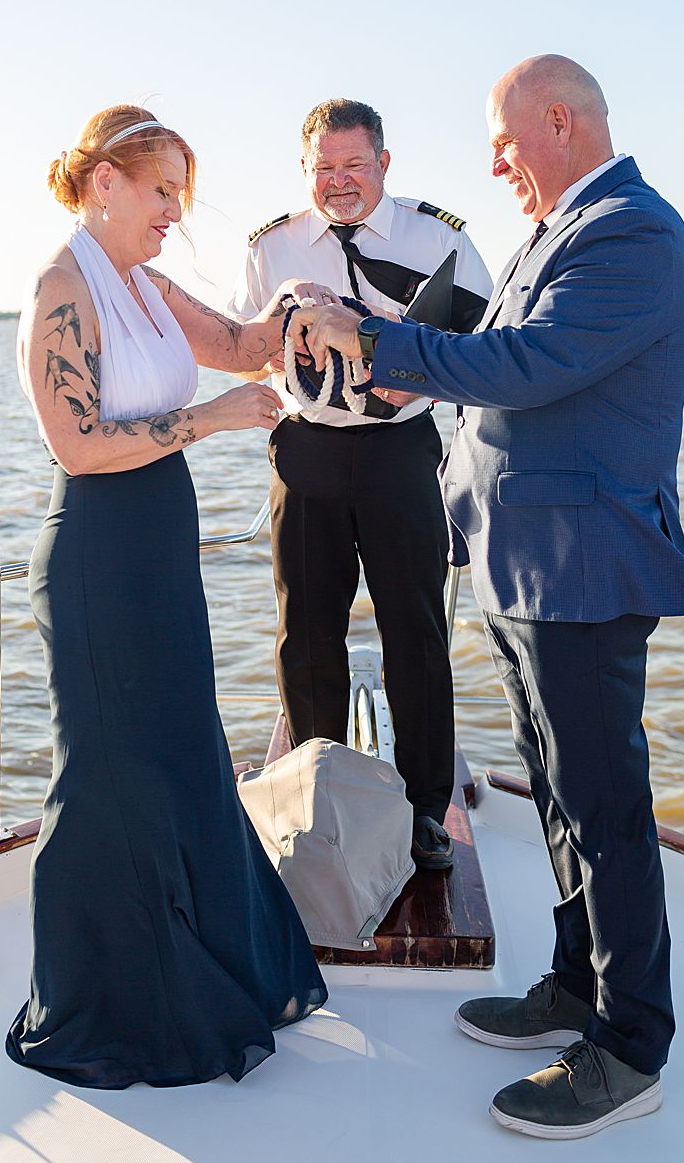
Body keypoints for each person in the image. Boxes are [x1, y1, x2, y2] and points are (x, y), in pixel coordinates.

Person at [290, 56, 684, 1138]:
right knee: (564, 801)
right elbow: (491, 359)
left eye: (503, 140)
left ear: (557, 121)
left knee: (605, 809)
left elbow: (528, 362)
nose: (493, 162)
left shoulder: (630, 232)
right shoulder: (563, 226)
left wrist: (374, 336)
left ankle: (628, 1043)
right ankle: (574, 984)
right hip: (521, 560)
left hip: (579, 568)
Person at [11, 105, 326, 1087]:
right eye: (161, 191)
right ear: (104, 181)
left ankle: (199, 975)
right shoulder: (63, 287)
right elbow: (78, 443)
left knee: (186, 758)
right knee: (107, 774)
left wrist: (299, 308)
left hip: (160, 551)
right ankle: (100, 1001)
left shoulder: (145, 282)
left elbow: (239, 342)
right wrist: (216, 419)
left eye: (179, 196)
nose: (173, 213)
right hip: (101, 559)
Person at [230, 99, 494, 870]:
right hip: (305, 451)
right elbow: (244, 347)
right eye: (324, 168)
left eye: (354, 165)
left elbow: (475, 340)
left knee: (415, 630)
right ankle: (318, 798)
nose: (338, 182)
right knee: (307, 632)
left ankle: (423, 810)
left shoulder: (437, 238)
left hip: (398, 453)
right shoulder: (272, 246)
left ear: (384, 163)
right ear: (304, 168)